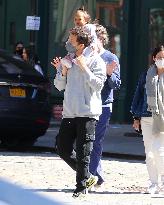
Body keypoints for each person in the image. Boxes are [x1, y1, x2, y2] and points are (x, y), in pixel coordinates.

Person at [52, 27, 106, 198]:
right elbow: (59, 86)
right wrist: (63, 71)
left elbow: (98, 85)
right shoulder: (68, 60)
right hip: (69, 112)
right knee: (62, 148)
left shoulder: (96, 61)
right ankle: (88, 176)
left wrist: (85, 68)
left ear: (81, 44)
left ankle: (80, 188)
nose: (68, 42)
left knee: (84, 151)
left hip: (87, 113)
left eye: (71, 40)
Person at [89, 24, 121, 189]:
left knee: (95, 140)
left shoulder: (111, 57)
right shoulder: (86, 56)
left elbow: (116, 84)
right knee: (86, 140)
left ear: (101, 39)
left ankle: (92, 175)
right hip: (86, 103)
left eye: (93, 38)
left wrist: (109, 73)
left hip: (103, 105)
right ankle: (97, 174)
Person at [145, 44, 164, 194]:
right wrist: (135, 116)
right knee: (149, 153)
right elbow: (139, 95)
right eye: (159, 57)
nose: (161, 60)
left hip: (162, 119)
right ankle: (153, 182)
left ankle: (162, 179)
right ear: (154, 58)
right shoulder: (148, 74)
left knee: (159, 151)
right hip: (147, 116)